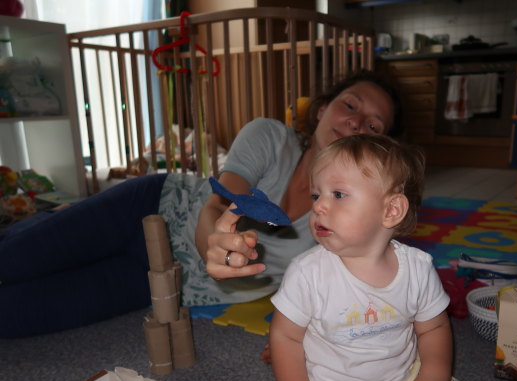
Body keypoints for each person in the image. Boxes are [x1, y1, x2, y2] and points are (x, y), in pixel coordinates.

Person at [0, 70, 404, 338]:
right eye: (350, 105)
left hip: (164, 285)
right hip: (146, 208)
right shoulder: (269, 136)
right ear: (322, 109)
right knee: (16, 256)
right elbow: (216, 205)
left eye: (372, 126)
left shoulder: (349, 223)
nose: (355, 122)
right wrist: (213, 238)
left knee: (19, 315)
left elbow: (352, 296)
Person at [213, 134, 470, 381]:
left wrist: (433, 377)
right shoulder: (309, 273)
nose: (318, 206)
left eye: (338, 195)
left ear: (390, 210)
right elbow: (286, 339)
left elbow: (434, 328)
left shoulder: (418, 268)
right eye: (317, 194)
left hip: (402, 377)